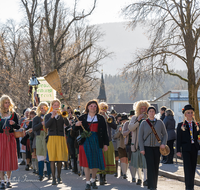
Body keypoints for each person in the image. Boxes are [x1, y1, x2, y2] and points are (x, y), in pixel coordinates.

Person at [73, 99, 109, 190]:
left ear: (97, 108)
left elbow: (105, 132)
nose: (93, 107)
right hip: (85, 141)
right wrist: (76, 125)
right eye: (91, 106)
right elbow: (73, 130)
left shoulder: (100, 118)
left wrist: (106, 144)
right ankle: (87, 182)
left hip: (97, 141)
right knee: (86, 162)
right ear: (88, 107)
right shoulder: (82, 117)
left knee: (95, 161)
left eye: (95, 106)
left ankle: (93, 180)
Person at [139, 106, 168, 190]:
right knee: (150, 166)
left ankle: (154, 185)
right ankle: (151, 186)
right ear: (147, 113)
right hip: (147, 148)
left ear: (155, 113)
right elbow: (140, 137)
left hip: (157, 148)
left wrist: (163, 143)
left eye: (153, 111)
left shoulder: (160, 122)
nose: (151, 112)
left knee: (156, 166)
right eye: (150, 111)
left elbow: (165, 134)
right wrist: (142, 149)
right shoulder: (144, 123)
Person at [45, 99, 69, 185]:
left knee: (59, 159)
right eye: (54, 105)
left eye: (57, 105)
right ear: (52, 106)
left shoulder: (62, 115)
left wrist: (64, 115)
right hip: (51, 137)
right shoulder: (48, 116)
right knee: (52, 159)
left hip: (60, 138)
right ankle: (53, 178)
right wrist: (52, 116)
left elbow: (68, 124)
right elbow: (47, 125)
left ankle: (59, 176)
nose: (56, 106)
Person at [176, 104, 200, 190]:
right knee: (187, 168)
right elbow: (178, 139)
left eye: (191, 113)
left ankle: (192, 186)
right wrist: (178, 150)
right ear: (185, 114)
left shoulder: (196, 125)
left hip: (194, 149)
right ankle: (188, 187)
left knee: (193, 168)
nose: (190, 114)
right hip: (185, 149)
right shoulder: (181, 125)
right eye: (188, 113)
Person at [0, 94, 20, 189]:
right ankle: (2, 181)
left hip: (10, 138)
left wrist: (14, 123)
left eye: (8, 102)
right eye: (5, 103)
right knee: (1, 159)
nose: (7, 104)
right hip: (0, 138)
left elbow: (18, 127)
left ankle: (8, 180)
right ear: (2, 104)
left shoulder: (13, 114)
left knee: (9, 159)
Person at [128, 100, 149, 186]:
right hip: (136, 144)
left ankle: (146, 179)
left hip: (146, 144)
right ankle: (139, 178)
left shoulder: (149, 118)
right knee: (137, 163)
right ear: (138, 109)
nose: (143, 110)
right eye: (141, 109)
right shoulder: (134, 118)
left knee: (145, 163)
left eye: (145, 109)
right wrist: (138, 120)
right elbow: (131, 128)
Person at [98, 102, 117, 185]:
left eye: (105, 108)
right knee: (101, 158)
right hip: (99, 141)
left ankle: (104, 178)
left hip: (108, 140)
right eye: (102, 108)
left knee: (107, 159)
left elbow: (115, 126)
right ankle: (100, 177)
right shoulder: (97, 117)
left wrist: (108, 119)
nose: (103, 109)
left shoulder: (111, 117)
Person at [33, 102, 51, 181]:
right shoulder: (36, 118)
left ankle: (49, 173)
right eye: (41, 108)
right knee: (40, 156)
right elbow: (34, 128)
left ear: (47, 108)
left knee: (48, 156)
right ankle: (40, 174)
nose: (43, 109)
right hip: (39, 137)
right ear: (39, 109)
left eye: (45, 107)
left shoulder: (50, 116)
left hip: (48, 137)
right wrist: (41, 123)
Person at [113, 114, 129, 179]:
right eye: (123, 121)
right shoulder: (119, 127)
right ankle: (124, 173)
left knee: (127, 160)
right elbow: (114, 136)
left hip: (128, 145)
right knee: (122, 159)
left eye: (125, 120)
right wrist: (119, 131)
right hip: (120, 145)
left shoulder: (130, 126)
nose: (124, 122)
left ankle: (125, 171)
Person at [122, 110, 134, 181]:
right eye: (131, 116)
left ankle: (134, 176)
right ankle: (132, 176)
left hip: (136, 144)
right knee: (129, 160)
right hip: (128, 144)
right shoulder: (127, 123)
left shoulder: (137, 122)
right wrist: (130, 130)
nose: (132, 117)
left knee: (134, 161)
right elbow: (124, 133)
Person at [112, 113, 122, 177]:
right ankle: (116, 171)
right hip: (116, 144)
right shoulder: (114, 126)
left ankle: (122, 172)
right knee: (116, 158)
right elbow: (114, 136)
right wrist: (119, 131)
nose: (119, 121)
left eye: (121, 119)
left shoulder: (125, 125)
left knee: (122, 158)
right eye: (118, 119)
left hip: (122, 144)